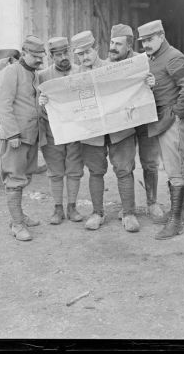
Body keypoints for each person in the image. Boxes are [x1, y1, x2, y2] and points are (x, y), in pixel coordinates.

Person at [72, 29, 140, 232]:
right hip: (92, 133)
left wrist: (147, 82)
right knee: (95, 171)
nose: (84, 57)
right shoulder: (73, 78)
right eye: (79, 54)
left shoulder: (114, 69)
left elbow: (133, 87)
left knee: (124, 170)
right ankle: (97, 213)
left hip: (119, 129)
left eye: (87, 52)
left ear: (96, 49)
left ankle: (128, 213)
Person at [137, 19, 184, 240]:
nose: (146, 44)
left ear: (161, 36)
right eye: (143, 41)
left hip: (172, 120)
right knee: (170, 167)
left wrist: (177, 114)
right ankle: (178, 213)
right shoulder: (152, 58)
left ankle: (175, 222)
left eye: (150, 39)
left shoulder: (173, 56)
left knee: (175, 170)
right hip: (161, 119)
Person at [108, 24, 166, 223]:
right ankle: (128, 210)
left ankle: (152, 203)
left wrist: (153, 82)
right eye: (112, 43)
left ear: (129, 46)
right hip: (122, 123)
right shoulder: (105, 67)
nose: (113, 48)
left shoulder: (144, 62)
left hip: (145, 120)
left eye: (118, 44)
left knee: (150, 163)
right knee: (123, 165)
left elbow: (161, 83)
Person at [0, 35, 46, 242]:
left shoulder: (33, 74)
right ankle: (17, 225)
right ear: (24, 53)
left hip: (31, 136)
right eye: (35, 56)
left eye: (41, 56)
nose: (39, 60)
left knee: (25, 177)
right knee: (14, 180)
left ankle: (19, 216)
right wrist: (13, 133)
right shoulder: (10, 72)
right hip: (15, 137)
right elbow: (3, 105)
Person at [37, 37, 85, 225]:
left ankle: (72, 207)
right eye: (58, 55)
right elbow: (36, 104)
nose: (63, 57)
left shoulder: (80, 71)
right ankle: (57, 208)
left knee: (74, 169)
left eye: (66, 53)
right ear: (51, 56)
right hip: (52, 130)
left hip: (75, 129)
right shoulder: (43, 76)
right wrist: (41, 103)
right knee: (55, 171)